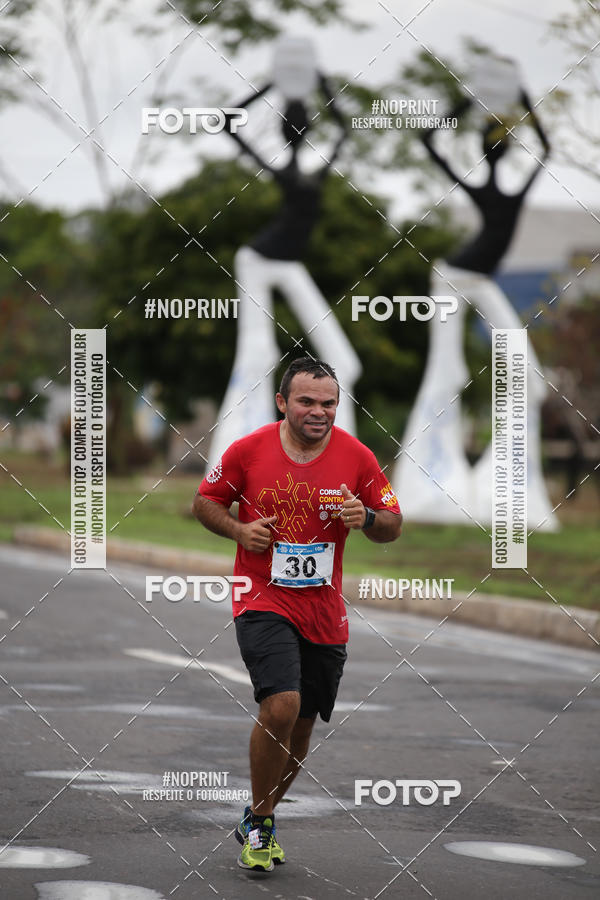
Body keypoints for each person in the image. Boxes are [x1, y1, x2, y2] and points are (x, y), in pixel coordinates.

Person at [192, 356, 402, 871]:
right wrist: (240, 531)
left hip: (324, 609)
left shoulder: (358, 457)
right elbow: (205, 501)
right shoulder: (247, 450)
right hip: (261, 595)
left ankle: (256, 815)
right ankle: (262, 824)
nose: (319, 411)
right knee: (281, 705)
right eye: (307, 401)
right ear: (283, 403)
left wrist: (368, 516)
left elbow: (393, 522)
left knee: (303, 725)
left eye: (329, 403)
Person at [393, 89, 558, 529]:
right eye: (496, 142)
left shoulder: (512, 188)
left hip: (479, 281)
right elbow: (429, 139)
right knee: (446, 374)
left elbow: (547, 149)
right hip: (449, 278)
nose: (499, 149)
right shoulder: (481, 185)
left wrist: (520, 100)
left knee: (530, 378)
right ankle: (429, 483)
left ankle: (504, 489)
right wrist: (469, 101)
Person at [207, 74, 362, 467]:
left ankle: (338, 463)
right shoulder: (288, 173)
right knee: (258, 356)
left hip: (289, 263)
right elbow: (229, 121)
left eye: (303, 122)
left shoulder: (314, 171)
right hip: (257, 260)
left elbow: (343, 131)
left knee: (344, 362)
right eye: (295, 123)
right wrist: (275, 83)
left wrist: (320, 83)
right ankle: (238, 465)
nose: (300, 128)